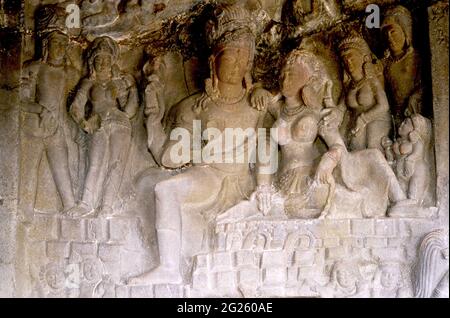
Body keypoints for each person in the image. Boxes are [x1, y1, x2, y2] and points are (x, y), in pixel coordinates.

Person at [128, 3, 268, 285]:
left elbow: (265, 146)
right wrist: (154, 115)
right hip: (209, 175)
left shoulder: (259, 105)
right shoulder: (194, 107)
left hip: (241, 179)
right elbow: (169, 157)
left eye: (245, 59)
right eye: (231, 57)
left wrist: (264, 185)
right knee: (165, 189)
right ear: (214, 62)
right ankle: (168, 267)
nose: (238, 65)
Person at [69, 36, 139, 217]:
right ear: (92, 61)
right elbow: (75, 106)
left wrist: (132, 89)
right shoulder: (88, 83)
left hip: (120, 123)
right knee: (94, 163)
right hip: (97, 124)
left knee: (115, 164)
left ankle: (106, 206)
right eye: (99, 59)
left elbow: (130, 111)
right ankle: (86, 203)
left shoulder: (118, 82)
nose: (103, 63)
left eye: (107, 59)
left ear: (112, 61)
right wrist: (83, 122)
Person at [19, 30, 80, 218]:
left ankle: (69, 205)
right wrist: (40, 110)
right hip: (34, 127)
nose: (61, 48)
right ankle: (25, 210)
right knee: (29, 168)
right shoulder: (34, 68)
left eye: (65, 44)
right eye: (56, 43)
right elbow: (20, 100)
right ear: (46, 45)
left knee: (61, 166)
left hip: (57, 127)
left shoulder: (68, 72)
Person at [339, 35, 392, 152]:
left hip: (376, 118)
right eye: (345, 60)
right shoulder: (349, 86)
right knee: (349, 147)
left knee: (372, 148)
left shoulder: (372, 81)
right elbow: (340, 109)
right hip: (356, 123)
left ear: (364, 58)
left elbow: (384, 105)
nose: (349, 63)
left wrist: (364, 119)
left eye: (352, 58)